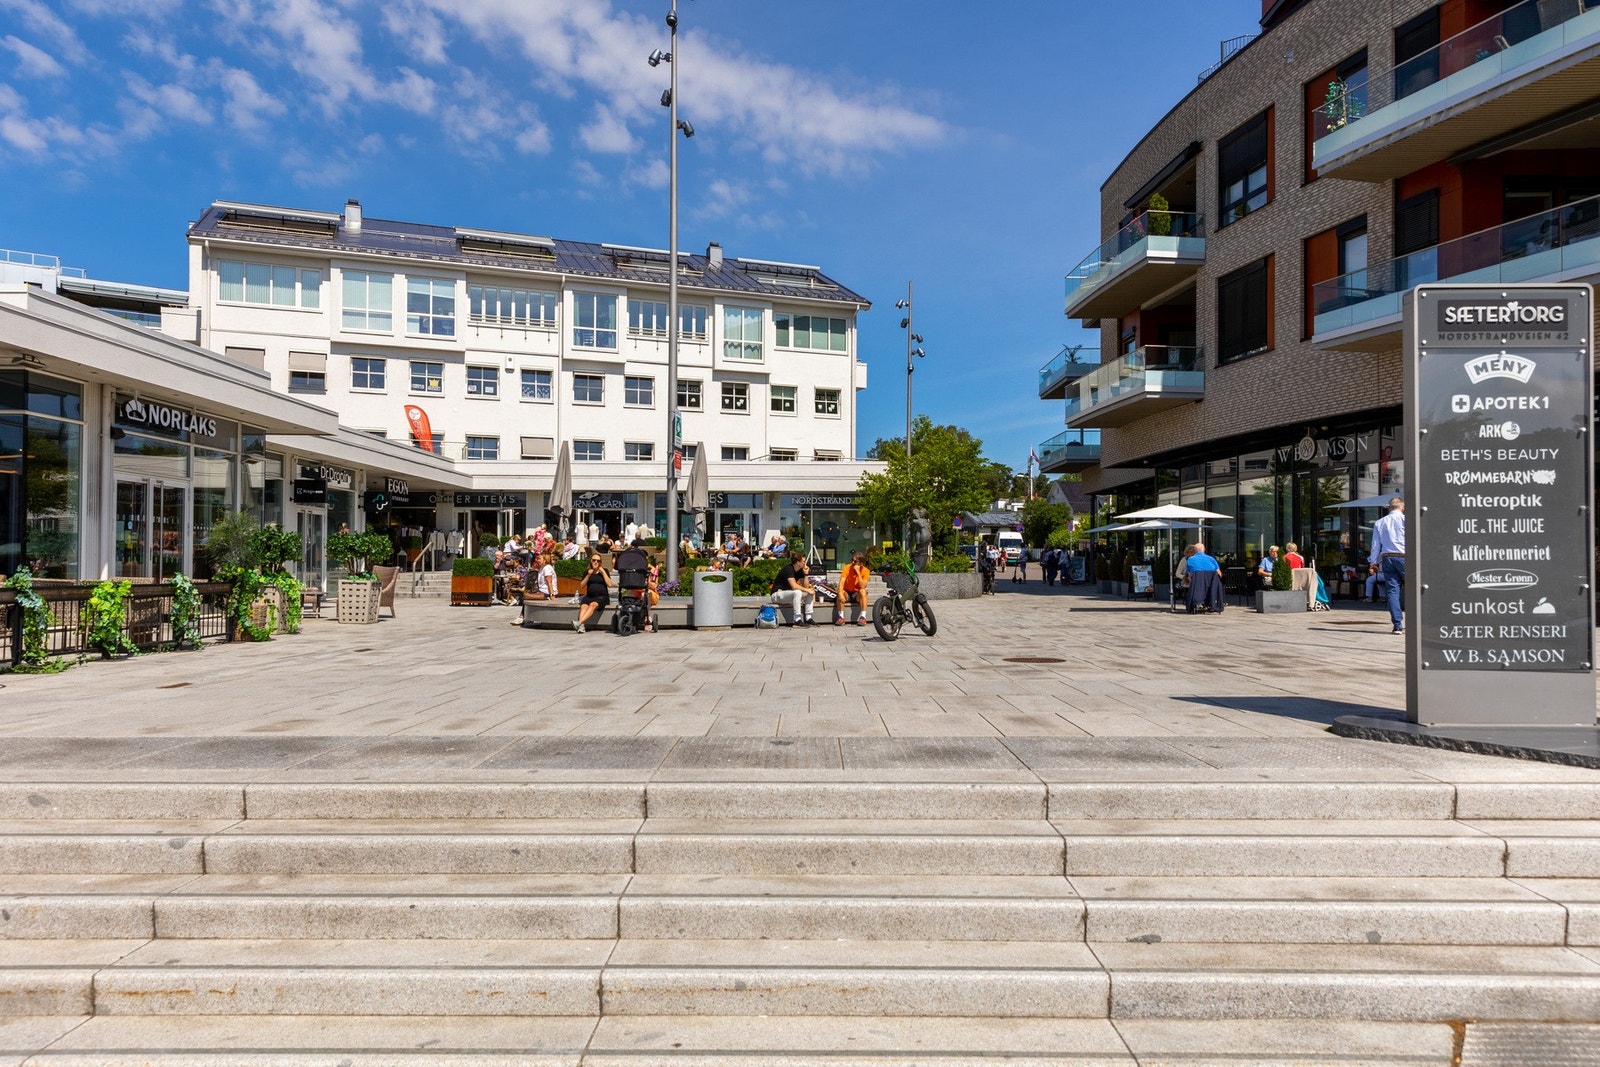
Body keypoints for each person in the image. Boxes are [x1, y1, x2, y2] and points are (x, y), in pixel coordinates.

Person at [1368, 497, 1406, 634]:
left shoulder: (1380, 522)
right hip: (1404, 557)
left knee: (1392, 592)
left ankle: (1397, 625)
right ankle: (1418, 622)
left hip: (1387, 558)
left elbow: (1375, 545)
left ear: (1389, 508)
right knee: (1415, 589)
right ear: (1403, 508)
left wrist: (1373, 562)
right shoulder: (1405, 520)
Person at [771, 550, 816, 626]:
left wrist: (806, 574)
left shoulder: (799, 571)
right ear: (798, 562)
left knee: (810, 592)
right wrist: (807, 590)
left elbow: (805, 587)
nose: (805, 563)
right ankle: (797, 619)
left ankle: (808, 618)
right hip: (777, 594)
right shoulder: (788, 569)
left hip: (788, 595)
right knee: (797, 592)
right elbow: (794, 586)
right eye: (803, 561)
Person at [572, 553, 611, 634]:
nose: (596, 562)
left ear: (600, 562)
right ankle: (581, 627)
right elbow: (582, 585)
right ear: (591, 561)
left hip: (602, 597)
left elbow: (609, 584)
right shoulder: (587, 572)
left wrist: (603, 573)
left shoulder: (604, 571)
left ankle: (579, 623)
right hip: (589, 596)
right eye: (594, 560)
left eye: (598, 561)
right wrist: (588, 575)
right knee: (583, 606)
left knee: (593, 604)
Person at [1183, 541, 1224, 614]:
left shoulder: (1191, 559)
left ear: (1195, 550)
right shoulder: (1211, 559)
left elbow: (1189, 575)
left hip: (1198, 586)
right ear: (1204, 550)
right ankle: (1213, 603)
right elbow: (1219, 573)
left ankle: (1196, 603)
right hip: (1212, 584)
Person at [838, 551, 871, 625]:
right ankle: (841, 617)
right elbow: (841, 582)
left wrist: (858, 573)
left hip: (857, 594)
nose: (852, 562)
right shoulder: (847, 567)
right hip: (847, 592)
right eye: (852, 560)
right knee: (840, 592)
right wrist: (840, 593)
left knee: (863, 591)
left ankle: (863, 617)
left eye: (855, 561)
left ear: (861, 563)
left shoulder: (866, 571)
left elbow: (863, 586)